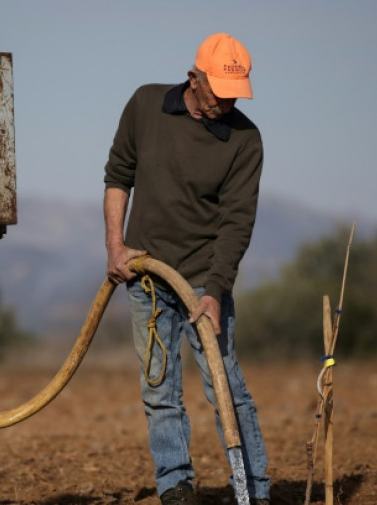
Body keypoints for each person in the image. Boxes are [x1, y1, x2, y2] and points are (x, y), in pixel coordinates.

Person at [103, 32, 270, 505]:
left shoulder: (244, 139)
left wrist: (216, 291)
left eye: (234, 93)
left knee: (228, 388)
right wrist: (116, 245)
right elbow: (118, 175)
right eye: (218, 90)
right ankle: (176, 487)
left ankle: (253, 491)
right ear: (193, 78)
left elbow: (238, 223)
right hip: (147, 278)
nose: (226, 102)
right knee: (159, 391)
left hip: (202, 281)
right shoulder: (145, 104)